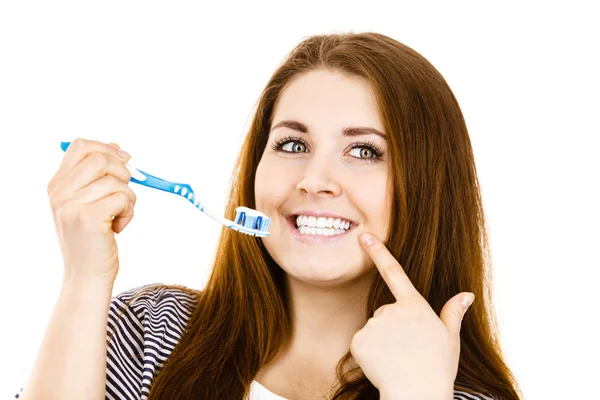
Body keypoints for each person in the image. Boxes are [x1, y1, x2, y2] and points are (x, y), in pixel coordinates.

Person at [15, 32, 522, 399]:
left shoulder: (447, 393)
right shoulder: (150, 335)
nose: (314, 179)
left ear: (430, 186)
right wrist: (85, 278)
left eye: (365, 151)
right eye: (293, 144)